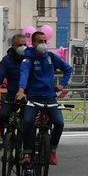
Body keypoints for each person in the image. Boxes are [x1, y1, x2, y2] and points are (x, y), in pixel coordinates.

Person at [15, 29, 73, 166]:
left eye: (45, 41)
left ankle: (52, 150)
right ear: (33, 44)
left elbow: (68, 69)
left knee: (59, 123)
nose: (43, 44)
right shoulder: (28, 59)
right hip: (34, 98)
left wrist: (62, 85)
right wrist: (21, 90)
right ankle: (27, 153)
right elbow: (24, 74)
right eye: (40, 42)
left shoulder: (51, 57)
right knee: (28, 122)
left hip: (50, 98)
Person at [0, 31, 31, 149]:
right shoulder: (7, 60)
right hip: (12, 95)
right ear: (13, 46)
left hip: (29, 95)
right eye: (19, 45)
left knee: (28, 120)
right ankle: (5, 138)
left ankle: (28, 148)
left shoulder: (30, 58)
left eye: (25, 45)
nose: (23, 47)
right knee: (2, 116)